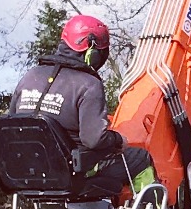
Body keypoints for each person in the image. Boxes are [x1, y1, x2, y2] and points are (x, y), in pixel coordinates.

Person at [10, 14, 157, 198]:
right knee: (139, 159)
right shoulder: (88, 84)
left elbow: (12, 123)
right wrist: (117, 140)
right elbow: (93, 140)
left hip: (26, 175)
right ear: (92, 51)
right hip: (72, 176)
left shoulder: (30, 77)